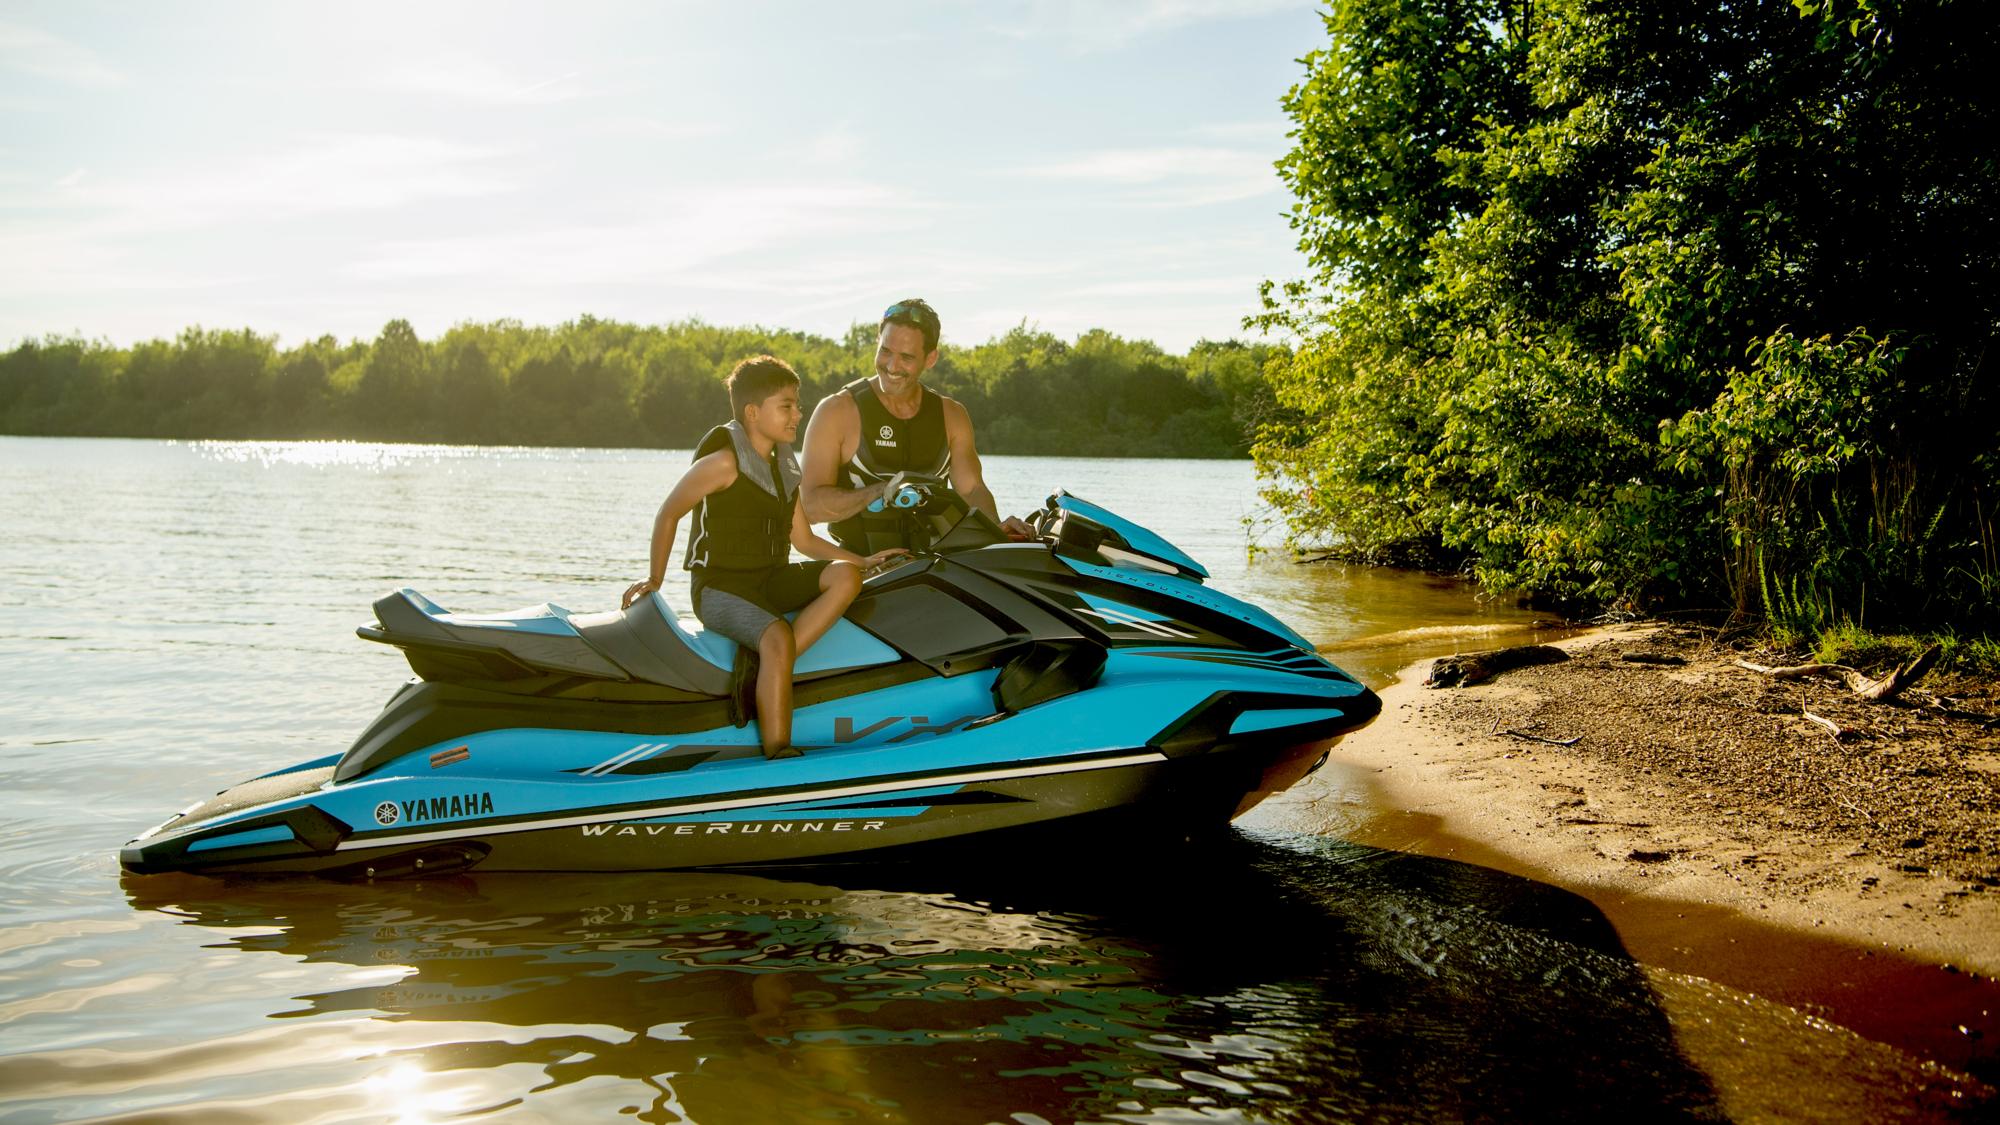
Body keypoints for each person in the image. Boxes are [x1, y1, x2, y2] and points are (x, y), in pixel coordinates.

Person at [621, 355, 904, 760]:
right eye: (786, 406)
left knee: (845, 577)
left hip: (769, 579)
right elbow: (669, 513)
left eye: (797, 405)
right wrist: (655, 578)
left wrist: (863, 561)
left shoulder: (784, 468)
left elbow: (804, 539)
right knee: (777, 637)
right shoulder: (722, 462)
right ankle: (778, 748)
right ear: (753, 412)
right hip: (719, 589)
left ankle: (763, 667)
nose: (798, 415)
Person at [800, 297, 1033, 554]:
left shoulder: (952, 415)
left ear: (930, 358)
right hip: (862, 567)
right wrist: (881, 491)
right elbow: (810, 507)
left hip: (936, 565)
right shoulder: (836, 411)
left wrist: (995, 529)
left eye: (906, 357)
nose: (892, 366)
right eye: (885, 351)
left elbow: (972, 489)